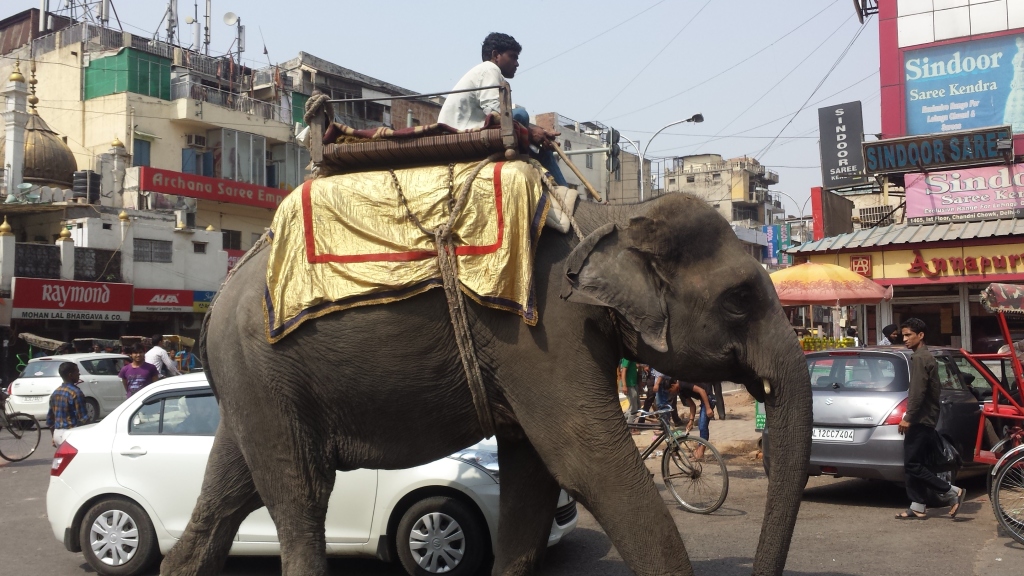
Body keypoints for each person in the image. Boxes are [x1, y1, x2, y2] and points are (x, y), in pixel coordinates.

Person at [437, 32, 567, 185]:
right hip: (461, 134)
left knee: (543, 153)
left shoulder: (489, 73)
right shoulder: (489, 69)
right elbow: (497, 112)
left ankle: (562, 192)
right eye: (513, 56)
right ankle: (564, 193)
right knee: (521, 114)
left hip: (474, 130)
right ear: (496, 55)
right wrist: (531, 132)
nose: (517, 63)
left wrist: (540, 132)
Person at [895, 318, 966, 520]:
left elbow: (918, 392)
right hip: (927, 417)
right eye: (904, 335)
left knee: (911, 464)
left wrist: (908, 417)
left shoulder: (920, 358)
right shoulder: (924, 356)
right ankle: (917, 505)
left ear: (921, 335)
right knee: (916, 462)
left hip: (920, 419)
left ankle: (952, 491)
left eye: (909, 335)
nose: (905, 339)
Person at [45, 362, 91, 447]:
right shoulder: (76, 393)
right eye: (77, 372)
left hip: (57, 434)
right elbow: (83, 418)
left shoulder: (56, 392)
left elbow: (50, 419)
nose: (79, 374)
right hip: (71, 434)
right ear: (71, 375)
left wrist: (53, 437)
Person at [677, 381, 715, 459]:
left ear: (673, 385)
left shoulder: (683, 383)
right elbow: (692, 405)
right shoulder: (681, 391)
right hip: (703, 401)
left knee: (702, 426)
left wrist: (708, 408)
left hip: (708, 399)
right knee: (702, 426)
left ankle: (700, 453)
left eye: (670, 391)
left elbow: (702, 391)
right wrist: (691, 421)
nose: (671, 393)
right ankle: (699, 450)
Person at [617, 357, 640, 433]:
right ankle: (629, 429)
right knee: (633, 409)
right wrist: (624, 385)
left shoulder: (632, 359)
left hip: (633, 384)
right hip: (629, 385)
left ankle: (620, 421)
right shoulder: (627, 358)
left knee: (636, 407)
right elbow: (623, 371)